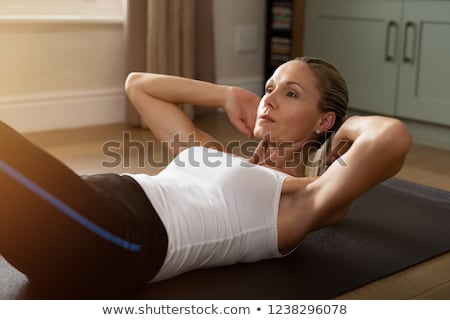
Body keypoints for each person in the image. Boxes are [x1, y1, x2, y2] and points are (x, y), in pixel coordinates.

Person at [0, 57, 411, 298]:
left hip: (115, 236)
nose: (269, 98)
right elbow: (139, 86)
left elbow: (391, 137)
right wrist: (226, 94)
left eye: (291, 93)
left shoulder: (299, 200)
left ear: (324, 119)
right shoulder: (214, 154)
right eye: (269, 87)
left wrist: (345, 131)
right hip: (91, 206)